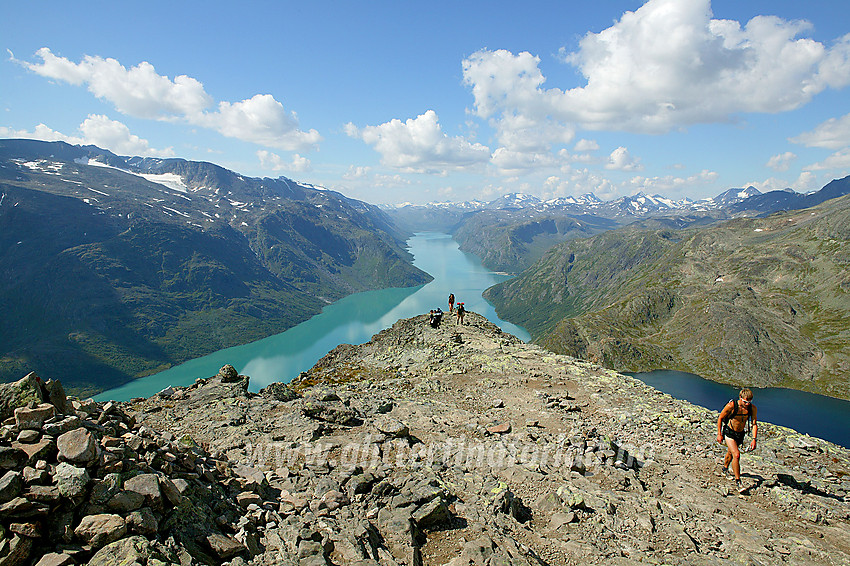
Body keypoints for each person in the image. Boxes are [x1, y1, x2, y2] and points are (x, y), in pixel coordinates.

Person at [716, 388, 758, 493]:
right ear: (740, 397)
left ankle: (725, 469)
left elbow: (754, 424)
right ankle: (738, 482)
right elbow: (720, 418)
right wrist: (719, 434)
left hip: (740, 434)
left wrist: (754, 439)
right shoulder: (731, 406)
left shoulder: (752, 409)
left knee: (730, 452)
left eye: (749, 402)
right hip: (729, 432)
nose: (747, 404)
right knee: (736, 454)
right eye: (745, 402)